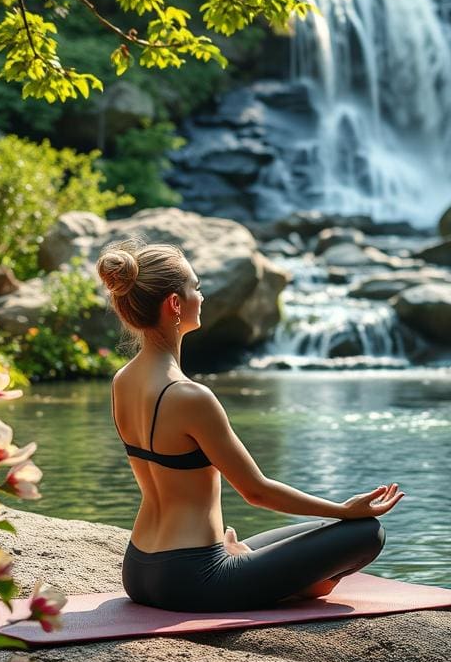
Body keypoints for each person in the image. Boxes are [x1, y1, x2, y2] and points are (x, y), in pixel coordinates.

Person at [96, 240, 404, 613]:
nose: (202, 296)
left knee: (314, 537)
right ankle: (292, 585)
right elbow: (257, 492)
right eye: (196, 287)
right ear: (174, 304)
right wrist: (344, 510)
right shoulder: (190, 396)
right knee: (366, 533)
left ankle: (269, 571)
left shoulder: (122, 381)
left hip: (140, 568)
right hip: (194, 578)